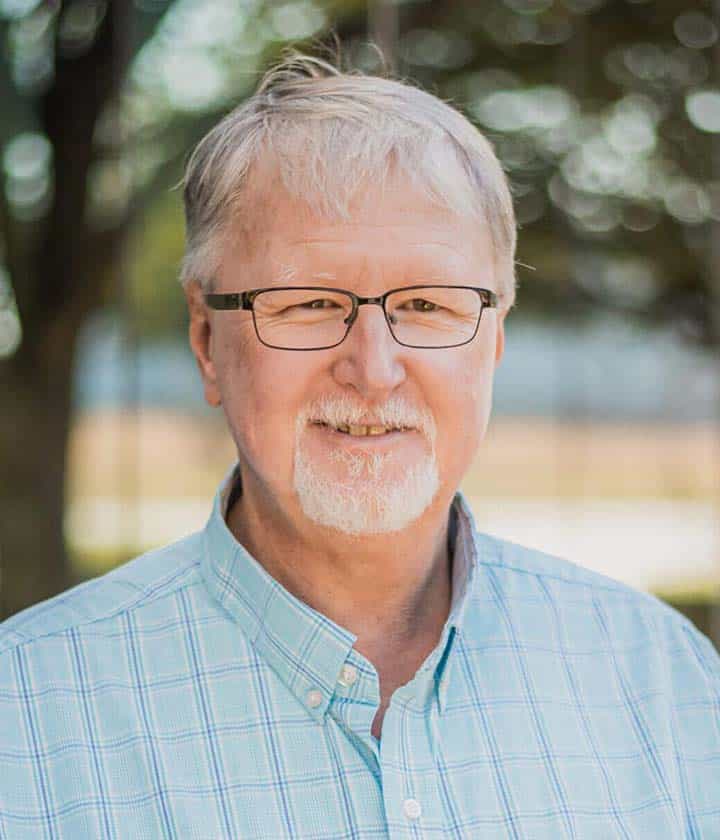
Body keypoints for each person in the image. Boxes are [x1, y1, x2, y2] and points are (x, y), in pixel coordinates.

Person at [1, 53, 719, 840]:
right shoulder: (27, 713)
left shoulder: (664, 683)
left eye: (427, 305)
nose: (374, 370)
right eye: (309, 302)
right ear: (207, 340)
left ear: (493, 341)